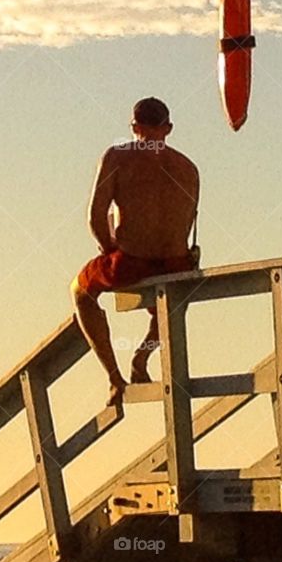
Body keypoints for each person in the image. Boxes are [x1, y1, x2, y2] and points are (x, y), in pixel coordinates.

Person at [71, 98, 199, 406]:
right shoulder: (188, 166)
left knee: (80, 293)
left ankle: (115, 379)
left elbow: (95, 216)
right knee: (169, 304)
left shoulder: (117, 156)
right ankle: (142, 357)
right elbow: (187, 220)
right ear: (168, 128)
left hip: (131, 262)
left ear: (133, 127)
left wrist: (109, 248)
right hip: (176, 265)